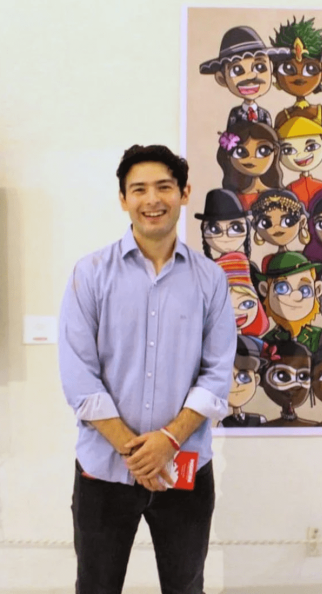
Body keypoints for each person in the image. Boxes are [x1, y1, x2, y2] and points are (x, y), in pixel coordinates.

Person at [59, 145, 236, 593]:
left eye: (164, 187)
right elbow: (78, 376)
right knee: (96, 586)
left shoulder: (210, 279)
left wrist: (169, 440)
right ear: (123, 199)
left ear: (184, 193)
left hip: (185, 467)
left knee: (185, 586)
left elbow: (217, 373)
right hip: (103, 470)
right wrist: (137, 453)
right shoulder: (90, 274)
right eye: (139, 189)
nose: (152, 199)